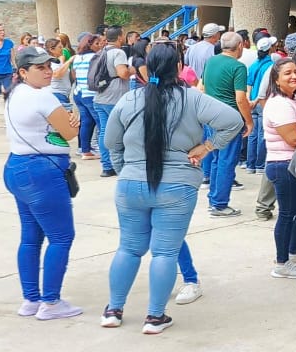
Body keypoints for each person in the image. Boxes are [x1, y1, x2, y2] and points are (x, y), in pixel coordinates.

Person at [101, 43, 243, 334]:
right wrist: (207, 147)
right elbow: (233, 121)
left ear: (147, 69)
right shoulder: (192, 98)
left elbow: (110, 142)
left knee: (128, 248)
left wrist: (124, 169)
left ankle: (113, 310)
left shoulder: (130, 100)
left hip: (131, 184)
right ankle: (154, 317)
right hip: (178, 185)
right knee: (165, 253)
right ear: (179, 67)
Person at [1, 47, 82, 319]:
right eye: (40, 67)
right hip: (42, 170)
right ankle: (51, 302)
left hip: (17, 166)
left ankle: (31, 299)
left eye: (49, 65)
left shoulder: (15, 94)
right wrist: (75, 120)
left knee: (31, 237)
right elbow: (70, 133)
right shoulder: (43, 97)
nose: (48, 70)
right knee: (61, 237)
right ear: (23, 72)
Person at [200, 32, 254, 217]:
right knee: (227, 161)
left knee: (216, 159)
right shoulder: (238, 67)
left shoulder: (211, 61)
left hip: (211, 116)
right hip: (230, 119)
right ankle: (220, 204)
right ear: (240, 46)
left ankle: (214, 199)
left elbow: (203, 88)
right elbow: (240, 99)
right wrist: (249, 121)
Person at [263, 58, 296, 278]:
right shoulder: (279, 104)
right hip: (284, 165)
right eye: (287, 73)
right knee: (288, 214)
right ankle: (281, 262)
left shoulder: (295, 99)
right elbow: (294, 139)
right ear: (276, 79)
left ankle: (293, 251)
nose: (294, 76)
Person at [93, 27, 132, 178]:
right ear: (120, 37)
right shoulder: (118, 52)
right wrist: (132, 71)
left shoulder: (99, 52)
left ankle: (106, 166)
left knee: (103, 131)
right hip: (115, 98)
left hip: (100, 97)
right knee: (119, 132)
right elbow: (122, 73)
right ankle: (119, 165)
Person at [245, 35, 279, 178]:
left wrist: (249, 101)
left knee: (252, 134)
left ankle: (250, 164)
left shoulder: (254, 65)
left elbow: (248, 85)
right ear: (270, 48)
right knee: (262, 134)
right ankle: (260, 165)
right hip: (264, 102)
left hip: (252, 102)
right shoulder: (271, 65)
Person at [71, 34, 101, 160]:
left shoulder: (77, 57)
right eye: (97, 44)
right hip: (91, 94)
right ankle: (107, 152)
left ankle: (85, 150)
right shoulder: (95, 57)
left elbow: (73, 75)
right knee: (101, 123)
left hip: (79, 92)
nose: (100, 46)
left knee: (86, 122)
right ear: (90, 45)